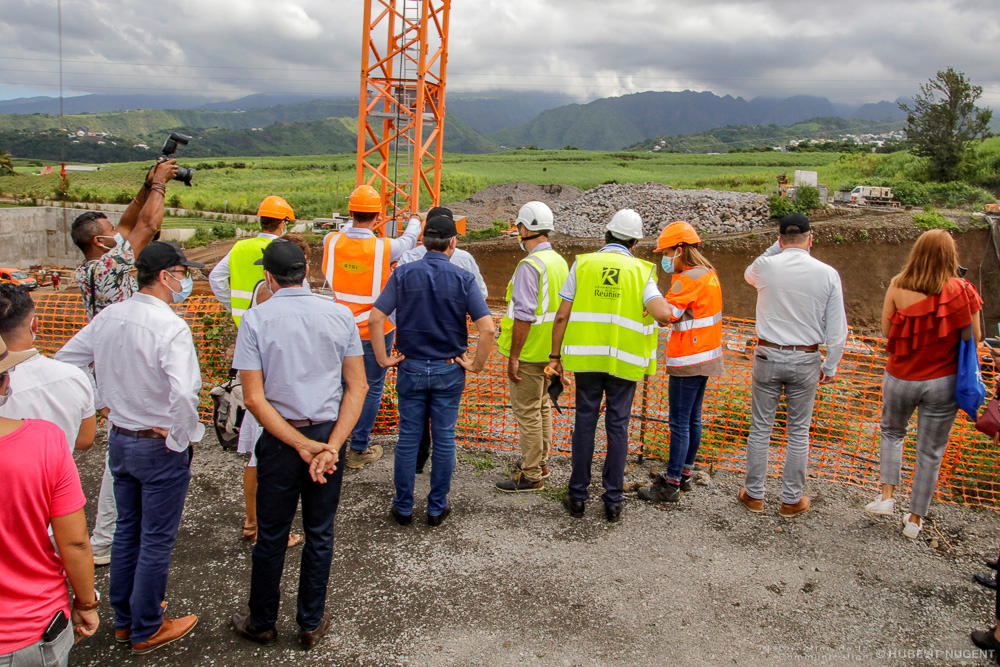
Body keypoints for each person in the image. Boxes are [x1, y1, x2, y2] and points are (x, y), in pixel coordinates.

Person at [56, 241, 205, 655]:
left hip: (120, 439)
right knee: (156, 539)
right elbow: (184, 394)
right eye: (182, 272)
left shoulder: (111, 316)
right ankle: (146, 627)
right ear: (165, 276)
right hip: (158, 446)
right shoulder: (171, 327)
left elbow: (65, 360)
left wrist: (101, 401)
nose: (186, 280)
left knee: (127, 533)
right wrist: (181, 436)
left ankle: (125, 621)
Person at [229, 239, 366, 650]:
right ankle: (309, 623)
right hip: (328, 437)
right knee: (320, 533)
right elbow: (357, 386)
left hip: (279, 438)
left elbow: (253, 397)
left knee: (272, 535)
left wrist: (299, 444)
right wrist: (330, 446)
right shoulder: (340, 314)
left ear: (268, 277)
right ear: (305, 269)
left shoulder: (255, 320)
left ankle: (262, 622)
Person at [70, 158, 178, 567]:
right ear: (101, 244)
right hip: (127, 366)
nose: (118, 233)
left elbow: (129, 222)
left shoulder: (90, 266)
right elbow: (146, 228)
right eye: (110, 233)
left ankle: (109, 534)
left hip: (111, 362)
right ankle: (104, 539)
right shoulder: (112, 266)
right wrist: (161, 188)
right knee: (128, 448)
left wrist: (145, 186)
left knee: (124, 446)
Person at [368, 214, 495, 527]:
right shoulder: (463, 278)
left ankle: (403, 508)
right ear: (453, 243)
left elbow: (374, 318)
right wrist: (475, 365)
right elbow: (488, 329)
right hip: (449, 370)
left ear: (423, 241)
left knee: (408, 440)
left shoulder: (403, 274)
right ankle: (437, 509)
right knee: (445, 439)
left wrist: (384, 359)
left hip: (410, 367)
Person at [549, 209, 673, 522]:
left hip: (587, 361)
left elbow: (562, 315)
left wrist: (555, 357)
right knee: (618, 427)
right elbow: (662, 314)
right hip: (624, 363)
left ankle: (577, 496)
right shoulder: (642, 271)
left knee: (585, 424)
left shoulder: (584, 264)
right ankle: (613, 502)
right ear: (634, 241)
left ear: (606, 235)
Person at [864, 229, 982, 538]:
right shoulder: (964, 290)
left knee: (891, 433)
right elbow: (974, 338)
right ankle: (915, 520)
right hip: (943, 382)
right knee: (930, 451)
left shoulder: (897, 285)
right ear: (950, 256)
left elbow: (888, 335)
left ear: (916, 252)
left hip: (901, 377)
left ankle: (887, 498)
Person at [739, 213, 847, 518]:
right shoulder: (827, 274)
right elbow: (838, 329)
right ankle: (790, 500)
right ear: (810, 239)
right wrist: (830, 366)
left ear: (780, 239)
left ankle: (755, 495)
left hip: (767, 355)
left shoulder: (765, 267)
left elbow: (749, 271)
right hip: (806, 358)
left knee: (761, 427)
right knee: (798, 432)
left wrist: (776, 249)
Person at [0, 336, 100, 666]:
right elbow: (74, 542)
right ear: (6, 380)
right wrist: (86, 602)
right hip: (29, 626)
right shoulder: (44, 441)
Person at [321, 184, 420, 470]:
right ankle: (358, 448)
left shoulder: (331, 241)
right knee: (371, 388)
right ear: (378, 216)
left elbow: (343, 240)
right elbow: (410, 239)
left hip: (337, 326)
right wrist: (414, 218)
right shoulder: (384, 247)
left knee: (340, 385)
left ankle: (333, 443)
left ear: (351, 212)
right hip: (373, 329)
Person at [395, 206, 488, 474]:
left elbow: (387, 311)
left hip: (412, 355)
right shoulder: (465, 261)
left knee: (411, 430)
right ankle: (437, 506)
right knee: (445, 434)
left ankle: (414, 471)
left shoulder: (408, 259)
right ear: (453, 237)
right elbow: (481, 301)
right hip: (450, 356)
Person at [639, 221, 725, 503]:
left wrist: (649, 297)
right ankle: (684, 474)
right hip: (707, 357)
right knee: (692, 418)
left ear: (679, 249)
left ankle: (672, 483)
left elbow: (667, 315)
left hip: (688, 359)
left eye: (665, 252)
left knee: (679, 422)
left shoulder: (687, 279)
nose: (664, 258)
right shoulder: (709, 274)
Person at [236, 233, 311, 549]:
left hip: (262, 384)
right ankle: (267, 527)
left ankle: (253, 522)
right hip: (278, 390)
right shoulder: (277, 296)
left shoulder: (260, 291)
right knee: (275, 461)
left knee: (256, 457)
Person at [495, 201, 568, 492]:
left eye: (518, 228)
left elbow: (524, 316)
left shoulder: (530, 266)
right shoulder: (559, 261)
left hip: (529, 352)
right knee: (541, 408)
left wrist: (514, 357)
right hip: (551, 352)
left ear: (524, 229)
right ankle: (541, 462)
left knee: (527, 412)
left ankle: (532, 474)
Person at [0, 284, 96, 453]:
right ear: (34, 325)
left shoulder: (5, 385)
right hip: (60, 475)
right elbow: (84, 440)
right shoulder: (75, 377)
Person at [208, 195, 296, 325]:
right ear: (282, 223)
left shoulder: (239, 248)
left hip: (244, 323)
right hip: (275, 323)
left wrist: (232, 304)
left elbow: (215, 277)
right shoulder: (285, 250)